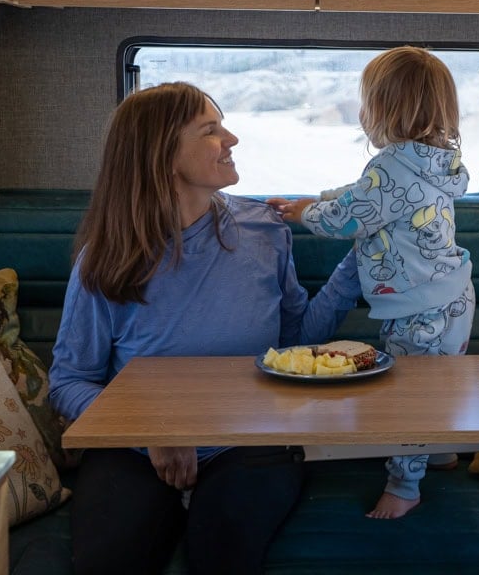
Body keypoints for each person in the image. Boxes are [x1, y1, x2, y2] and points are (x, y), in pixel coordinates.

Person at [48, 82, 362, 575]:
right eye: (211, 130)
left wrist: (360, 259)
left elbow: (298, 342)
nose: (232, 139)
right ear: (164, 155)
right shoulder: (104, 261)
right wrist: (151, 431)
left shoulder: (265, 229)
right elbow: (68, 381)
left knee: (223, 554)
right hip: (137, 446)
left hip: (250, 440)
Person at [267, 46, 475, 520]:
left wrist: (306, 213)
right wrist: (321, 195)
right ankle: (439, 451)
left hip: (420, 307)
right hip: (452, 296)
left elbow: (347, 218)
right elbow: (366, 194)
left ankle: (405, 486)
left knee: (410, 396)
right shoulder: (433, 161)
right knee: (433, 386)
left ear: (380, 110)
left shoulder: (391, 166)